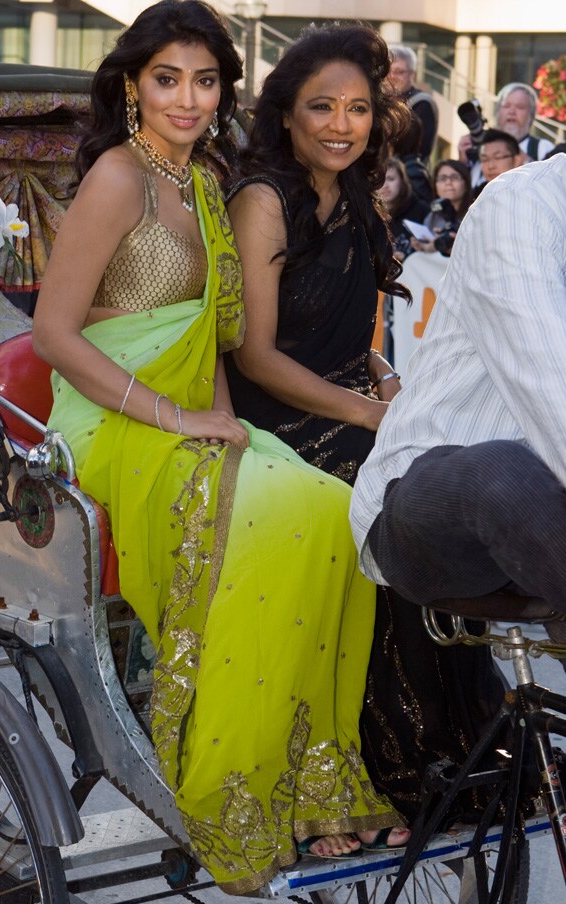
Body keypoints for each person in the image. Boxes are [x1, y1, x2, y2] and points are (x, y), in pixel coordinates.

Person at [32, 0, 403, 896]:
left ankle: (313, 776)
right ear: (133, 86)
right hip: (110, 415)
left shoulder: (204, 181)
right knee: (269, 511)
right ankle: (227, 788)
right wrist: (175, 418)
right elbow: (51, 334)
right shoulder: (119, 178)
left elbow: (210, 338)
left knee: (326, 505)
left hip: (190, 410)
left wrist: (225, 424)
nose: (188, 99)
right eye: (168, 80)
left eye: (205, 82)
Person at [223, 22, 507, 825]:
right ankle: (397, 752)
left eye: (356, 108)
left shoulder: (353, 195)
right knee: (393, 493)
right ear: (286, 114)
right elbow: (255, 356)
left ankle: (468, 732)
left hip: (349, 397)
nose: (341, 124)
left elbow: (361, 343)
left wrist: (392, 386)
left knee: (452, 478)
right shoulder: (263, 198)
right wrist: (370, 412)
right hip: (279, 414)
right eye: (322, 107)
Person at [350, 154, 566, 633]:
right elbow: (551, 391)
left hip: (547, 519)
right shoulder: (522, 203)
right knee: (505, 470)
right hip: (425, 498)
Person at [459, 82, 552, 189]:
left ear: (531, 115)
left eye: (520, 107)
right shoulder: (479, 148)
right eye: (506, 106)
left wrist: (528, 161)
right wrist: (463, 164)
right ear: (497, 112)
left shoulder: (542, 148)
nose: (511, 112)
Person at [410, 158, 472, 257]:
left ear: (466, 184)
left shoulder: (475, 213)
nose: (448, 182)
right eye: (443, 178)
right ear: (435, 186)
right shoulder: (432, 216)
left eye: (455, 177)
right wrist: (422, 246)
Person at [387, 44, 437, 164]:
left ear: (411, 75)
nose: (391, 76)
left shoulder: (422, 103)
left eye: (399, 71)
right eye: (388, 71)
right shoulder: (379, 100)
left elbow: (420, 150)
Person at [379, 156, 430, 260]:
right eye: (380, 180)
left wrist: (406, 257)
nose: (385, 185)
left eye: (391, 179)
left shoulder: (422, 210)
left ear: (402, 180)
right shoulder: (367, 213)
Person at [473, 128, 521, 198]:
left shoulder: (529, 193)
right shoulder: (476, 197)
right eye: (485, 159)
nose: (490, 166)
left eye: (497, 157)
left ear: (516, 161)